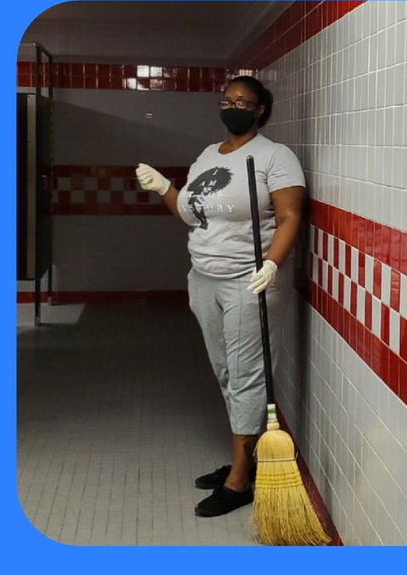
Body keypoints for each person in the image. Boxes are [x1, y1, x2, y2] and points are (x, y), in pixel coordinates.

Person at [135, 76, 305, 518]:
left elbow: (289, 216)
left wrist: (272, 264)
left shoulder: (275, 157)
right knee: (226, 370)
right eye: (227, 101)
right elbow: (190, 216)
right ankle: (244, 458)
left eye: (243, 102)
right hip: (204, 278)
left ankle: (239, 481)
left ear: (261, 109)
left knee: (247, 375)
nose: (233, 108)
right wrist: (164, 188)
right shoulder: (209, 155)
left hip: (249, 281)